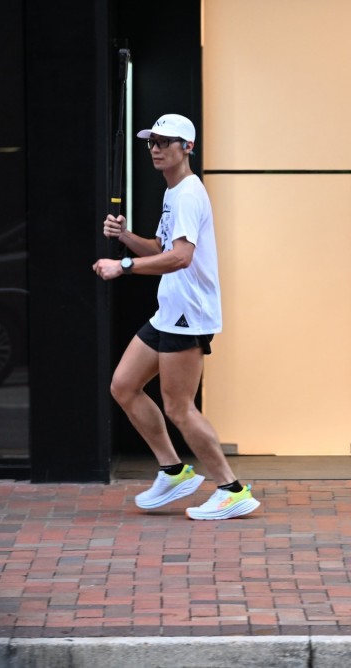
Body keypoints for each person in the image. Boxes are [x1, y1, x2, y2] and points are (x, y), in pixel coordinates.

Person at [93, 114, 260, 521]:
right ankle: (172, 471)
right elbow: (163, 247)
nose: (156, 147)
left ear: (187, 148)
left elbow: (181, 259)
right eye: (152, 141)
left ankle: (231, 489)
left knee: (179, 407)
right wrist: (126, 237)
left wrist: (124, 266)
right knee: (124, 385)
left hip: (189, 315)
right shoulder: (175, 192)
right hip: (170, 311)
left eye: (167, 142)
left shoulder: (187, 194)